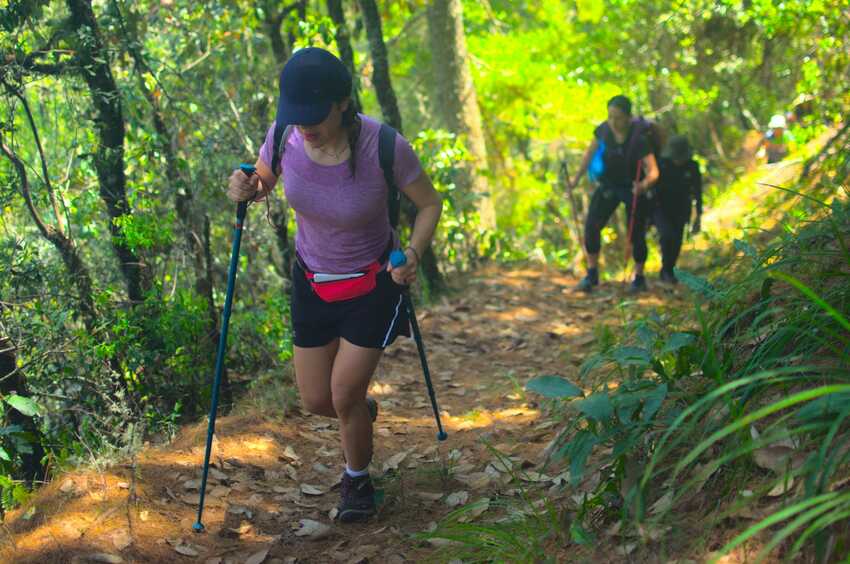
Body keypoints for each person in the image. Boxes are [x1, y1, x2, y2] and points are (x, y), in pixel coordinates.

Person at [226, 47, 442, 522]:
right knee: (316, 400)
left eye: (314, 115)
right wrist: (246, 186)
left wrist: (416, 254)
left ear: (343, 102)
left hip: (373, 282)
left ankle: (358, 482)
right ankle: (360, 413)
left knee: (341, 396)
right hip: (312, 280)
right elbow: (263, 179)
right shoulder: (284, 137)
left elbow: (429, 203)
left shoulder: (385, 147)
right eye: (296, 115)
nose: (305, 125)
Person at [567, 95, 660, 293]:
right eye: (610, 117)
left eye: (617, 117)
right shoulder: (603, 131)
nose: (613, 122)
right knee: (592, 225)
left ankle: (639, 278)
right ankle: (592, 275)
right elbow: (588, 155)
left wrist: (642, 186)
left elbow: (653, 172)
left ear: (628, 117)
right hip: (609, 185)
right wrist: (574, 180)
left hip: (633, 187)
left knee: (636, 234)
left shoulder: (639, 139)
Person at [651, 135, 702, 284]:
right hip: (661, 209)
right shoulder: (662, 164)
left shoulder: (692, 166)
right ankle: (666, 270)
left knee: (677, 240)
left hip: (682, 209)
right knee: (667, 236)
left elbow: (698, 191)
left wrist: (698, 215)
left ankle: (668, 270)